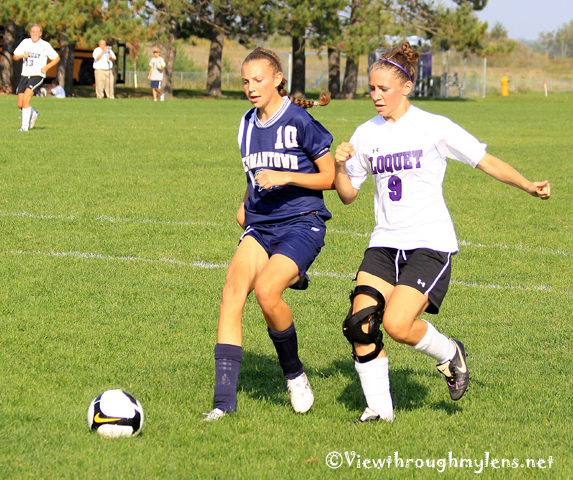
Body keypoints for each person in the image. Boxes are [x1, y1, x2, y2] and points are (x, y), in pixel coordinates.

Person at [333, 41, 551, 424]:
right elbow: (348, 196)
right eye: (371, 88)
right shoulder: (365, 133)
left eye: (383, 89)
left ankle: (450, 353)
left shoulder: (433, 126)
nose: (375, 96)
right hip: (385, 242)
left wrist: (527, 184)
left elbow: (485, 161)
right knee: (359, 323)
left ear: (406, 87)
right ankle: (380, 412)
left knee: (398, 325)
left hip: (430, 243)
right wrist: (339, 167)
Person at [204, 48, 334, 421]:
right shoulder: (246, 123)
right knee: (231, 293)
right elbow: (254, 172)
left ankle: (294, 373)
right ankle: (223, 404)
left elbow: (328, 177)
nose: (250, 87)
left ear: (278, 78)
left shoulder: (299, 120)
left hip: (302, 221)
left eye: (258, 79)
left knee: (266, 291)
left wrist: (287, 176)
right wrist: (245, 202)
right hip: (260, 225)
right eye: (245, 81)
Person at [13, 24, 59, 131]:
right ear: (30, 33)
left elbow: (56, 58)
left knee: (26, 98)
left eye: (37, 32)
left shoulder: (45, 45)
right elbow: (15, 56)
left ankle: (24, 127)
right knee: (20, 103)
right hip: (25, 75)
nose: (34, 34)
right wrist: (21, 55)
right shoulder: (25, 42)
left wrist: (47, 67)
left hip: (37, 75)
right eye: (33, 31)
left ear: (40, 33)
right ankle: (33, 114)